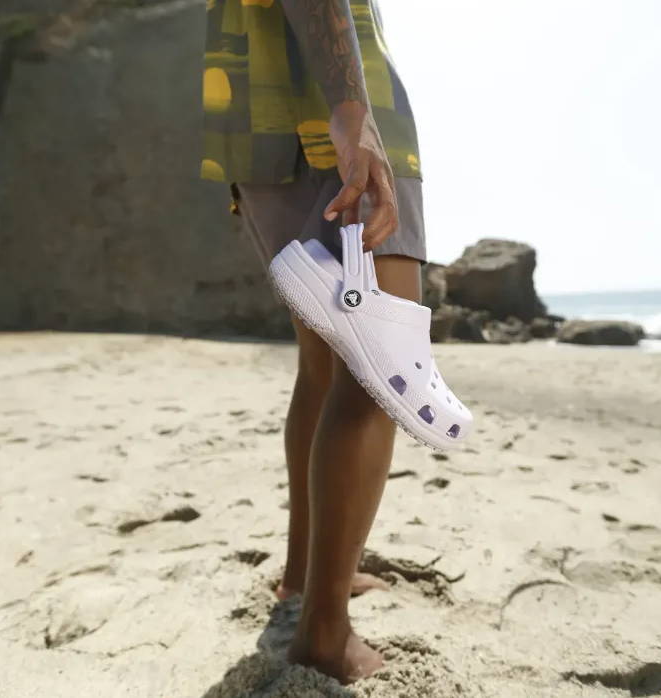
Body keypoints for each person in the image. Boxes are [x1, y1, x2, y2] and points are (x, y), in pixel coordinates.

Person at [201, 0, 426, 685]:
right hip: (323, 119)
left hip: (255, 120)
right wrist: (352, 112)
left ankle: (305, 577)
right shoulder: (342, 116)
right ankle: (324, 635)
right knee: (379, 368)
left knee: (324, 366)